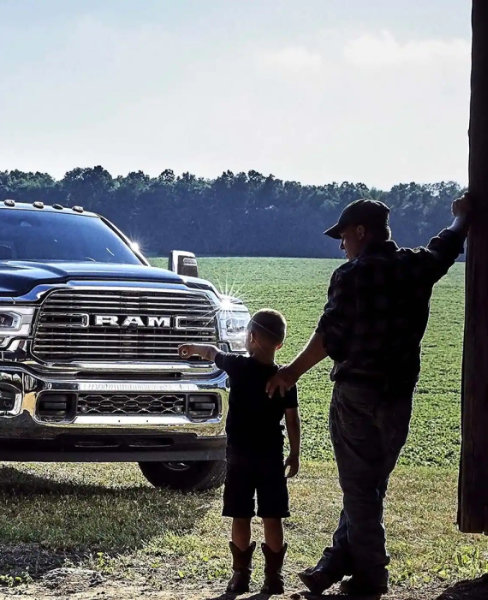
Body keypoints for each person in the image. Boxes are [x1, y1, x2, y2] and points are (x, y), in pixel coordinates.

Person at [266, 194, 472, 595]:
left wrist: (291, 372)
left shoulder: (351, 276)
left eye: (343, 236)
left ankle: (371, 576)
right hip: (399, 396)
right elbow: (445, 247)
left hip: (356, 394)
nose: (342, 246)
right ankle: (334, 562)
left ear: (361, 232)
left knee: (360, 489)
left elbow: (330, 335)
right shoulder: (416, 267)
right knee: (370, 486)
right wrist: (462, 218)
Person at [179, 309, 300, 595]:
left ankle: (240, 576)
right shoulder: (284, 379)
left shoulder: (238, 367)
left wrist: (191, 348)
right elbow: (293, 419)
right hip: (271, 456)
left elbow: (211, 352)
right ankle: (274, 578)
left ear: (252, 337)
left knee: (240, 514)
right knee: (273, 516)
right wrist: (294, 453)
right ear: (279, 344)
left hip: (239, 456)